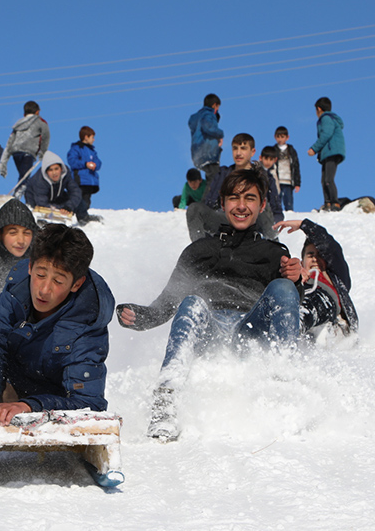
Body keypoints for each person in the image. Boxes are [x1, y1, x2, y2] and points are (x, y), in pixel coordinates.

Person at [117, 168, 303, 441]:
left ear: (262, 205)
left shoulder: (275, 253)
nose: (241, 206)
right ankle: (166, 402)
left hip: (250, 329)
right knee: (192, 302)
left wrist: (295, 281)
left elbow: (287, 307)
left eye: (250, 198)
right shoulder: (200, 250)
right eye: (234, 198)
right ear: (223, 203)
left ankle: (285, 393)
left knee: (283, 287)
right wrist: (141, 317)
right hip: (209, 328)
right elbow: (169, 301)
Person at [0, 223, 114, 427]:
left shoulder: (87, 322)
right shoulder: (14, 294)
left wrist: (30, 406)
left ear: (76, 284)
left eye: (58, 281)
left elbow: (89, 403)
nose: (44, 289)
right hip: (7, 380)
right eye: (40, 275)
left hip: (47, 401)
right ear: (30, 267)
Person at [188, 133, 281, 241]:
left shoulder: (264, 177)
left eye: (243, 148)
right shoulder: (222, 174)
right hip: (226, 220)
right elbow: (208, 203)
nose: (238, 153)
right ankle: (200, 249)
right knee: (194, 209)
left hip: (254, 221)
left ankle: (275, 248)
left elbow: (276, 209)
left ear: (252, 152)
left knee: (260, 203)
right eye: (235, 148)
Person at [275, 219, 358, 338]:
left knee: (312, 304)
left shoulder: (334, 277)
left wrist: (304, 225)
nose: (315, 259)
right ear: (302, 262)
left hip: (327, 305)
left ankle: (294, 325)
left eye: (320, 255)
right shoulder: (297, 276)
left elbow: (330, 247)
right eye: (310, 255)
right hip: (300, 301)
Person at [0, 101, 50, 188]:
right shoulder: (41, 122)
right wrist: (43, 153)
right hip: (28, 152)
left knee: (23, 175)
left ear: (24, 114)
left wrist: (3, 163)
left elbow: (9, 143)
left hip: (16, 153)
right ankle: (18, 192)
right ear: (37, 112)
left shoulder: (18, 124)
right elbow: (45, 138)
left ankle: (23, 192)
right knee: (25, 177)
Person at [306, 97, 345, 212]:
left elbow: (326, 134)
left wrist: (314, 149)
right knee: (324, 180)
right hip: (328, 152)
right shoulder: (329, 119)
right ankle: (327, 203)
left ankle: (334, 203)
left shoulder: (326, 118)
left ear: (318, 109)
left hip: (331, 152)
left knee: (328, 179)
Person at [24, 151, 85, 223]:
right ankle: (40, 222)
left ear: (61, 169)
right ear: (46, 172)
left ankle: (84, 220)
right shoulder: (40, 180)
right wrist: (61, 208)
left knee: (78, 200)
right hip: (36, 200)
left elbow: (75, 191)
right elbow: (41, 202)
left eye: (56, 169)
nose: (54, 173)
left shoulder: (66, 175)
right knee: (40, 211)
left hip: (56, 195)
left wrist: (68, 206)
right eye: (50, 170)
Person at [66, 126, 102, 214]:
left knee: (87, 201)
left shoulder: (92, 150)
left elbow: (98, 162)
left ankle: (83, 216)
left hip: (90, 180)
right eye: (92, 137)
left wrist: (95, 165)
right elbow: (72, 161)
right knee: (77, 199)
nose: (93, 140)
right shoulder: (76, 148)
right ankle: (73, 214)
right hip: (80, 180)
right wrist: (85, 164)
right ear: (86, 137)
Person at [188, 93, 225, 179]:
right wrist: (220, 134)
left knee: (210, 176)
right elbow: (208, 127)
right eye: (218, 107)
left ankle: (210, 188)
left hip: (198, 153)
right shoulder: (208, 114)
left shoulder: (197, 117)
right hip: (208, 151)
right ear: (214, 105)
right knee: (215, 177)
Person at [269, 126, 301, 211]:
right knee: (276, 200)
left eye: (282, 137)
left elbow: (296, 166)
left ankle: (289, 215)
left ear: (287, 137)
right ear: (275, 137)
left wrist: (297, 183)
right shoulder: (273, 150)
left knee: (288, 201)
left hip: (288, 180)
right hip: (277, 180)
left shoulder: (291, 151)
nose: (280, 139)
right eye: (278, 137)